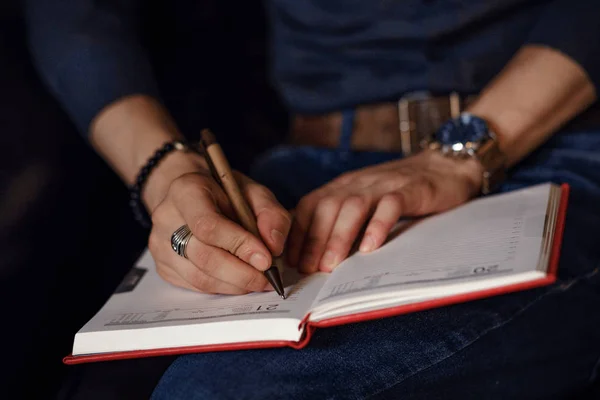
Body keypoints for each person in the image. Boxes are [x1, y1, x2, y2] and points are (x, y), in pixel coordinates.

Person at [24, 0, 600, 398]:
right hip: (309, 165)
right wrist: (166, 175)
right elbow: (72, 16)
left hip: (553, 145)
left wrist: (459, 153)